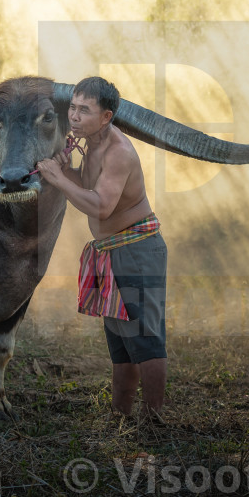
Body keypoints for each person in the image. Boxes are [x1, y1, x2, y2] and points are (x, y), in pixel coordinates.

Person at [36, 76, 168, 422]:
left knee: (145, 338)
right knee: (122, 347)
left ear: (106, 116)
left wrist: (59, 179)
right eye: (73, 108)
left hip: (136, 249)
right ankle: (120, 417)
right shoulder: (89, 145)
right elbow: (88, 187)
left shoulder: (118, 151)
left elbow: (101, 207)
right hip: (111, 251)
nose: (74, 116)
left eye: (84, 110)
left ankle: (156, 421)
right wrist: (68, 173)